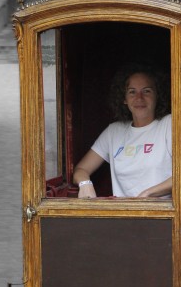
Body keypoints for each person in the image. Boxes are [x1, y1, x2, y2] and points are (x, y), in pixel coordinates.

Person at [73, 64, 172, 198]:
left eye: (147, 91)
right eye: (132, 91)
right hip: (123, 215)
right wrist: (85, 184)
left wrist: (148, 194)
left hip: (163, 214)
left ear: (157, 95)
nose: (139, 98)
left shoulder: (168, 124)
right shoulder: (114, 131)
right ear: (124, 99)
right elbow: (81, 169)